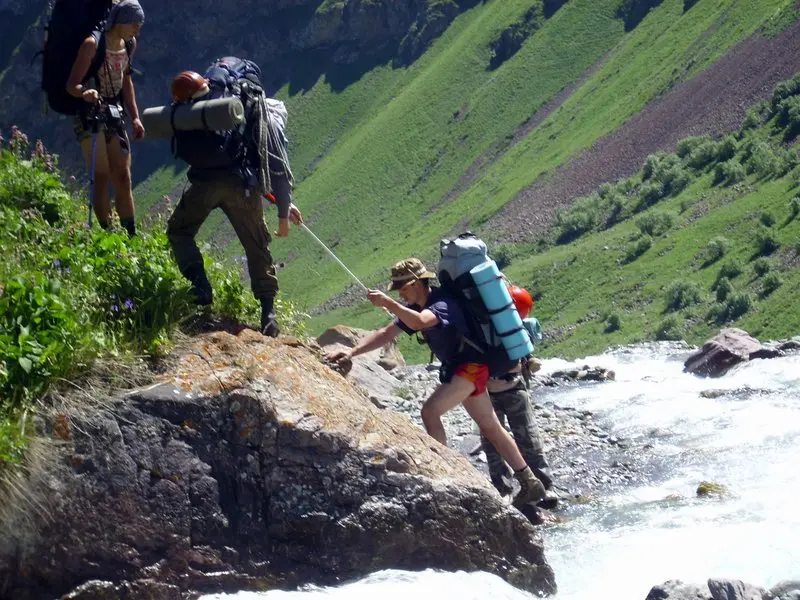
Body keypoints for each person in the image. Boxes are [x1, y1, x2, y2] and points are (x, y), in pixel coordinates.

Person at [326, 258, 547, 509]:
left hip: (471, 367)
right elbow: (386, 333)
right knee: (490, 426)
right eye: (397, 290)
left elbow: (421, 322)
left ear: (418, 283)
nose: (400, 293)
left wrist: (389, 304)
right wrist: (352, 353)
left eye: (403, 288)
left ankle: (445, 474)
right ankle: (529, 481)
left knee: (430, 411)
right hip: (467, 369)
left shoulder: (442, 303)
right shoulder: (417, 306)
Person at [166, 63, 303, 337]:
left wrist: (282, 204)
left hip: (203, 182)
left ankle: (200, 286)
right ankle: (268, 313)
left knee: (179, 231)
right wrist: (282, 208)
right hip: (241, 185)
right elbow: (265, 158)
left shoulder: (191, 109)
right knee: (256, 245)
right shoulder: (247, 104)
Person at [65, 0, 145, 237]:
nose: (136, 30)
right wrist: (84, 92)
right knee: (101, 176)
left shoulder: (129, 45)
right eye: (134, 24)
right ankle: (106, 234)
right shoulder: (92, 45)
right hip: (89, 115)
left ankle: (131, 235)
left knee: (123, 175)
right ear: (121, 21)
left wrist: (136, 118)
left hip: (115, 112)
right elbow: (71, 85)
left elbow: (126, 81)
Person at [482, 286, 557, 509]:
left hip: (488, 390)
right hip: (514, 386)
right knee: (528, 437)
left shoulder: (484, 326)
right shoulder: (513, 328)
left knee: (492, 441)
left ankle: (503, 488)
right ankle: (544, 487)